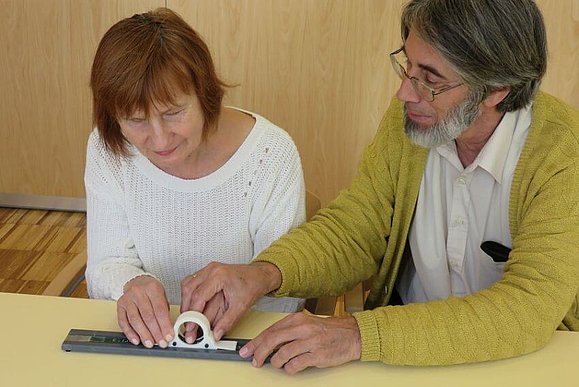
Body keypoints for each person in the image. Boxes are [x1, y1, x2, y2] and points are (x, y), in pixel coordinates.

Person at [184, 0, 579, 374]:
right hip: (402, 360)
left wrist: (358, 335)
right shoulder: (414, 118)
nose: (405, 92)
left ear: (496, 90)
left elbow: (527, 307)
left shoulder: (563, 152)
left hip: (521, 363)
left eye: (431, 80)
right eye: (408, 66)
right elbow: (357, 230)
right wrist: (263, 273)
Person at [84, 8, 306, 350]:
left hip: (245, 345)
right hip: (146, 347)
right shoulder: (108, 147)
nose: (159, 140)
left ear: (204, 93)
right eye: (136, 120)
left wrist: (238, 300)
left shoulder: (270, 155)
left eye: (173, 113)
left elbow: (286, 291)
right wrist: (132, 282)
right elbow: (104, 265)